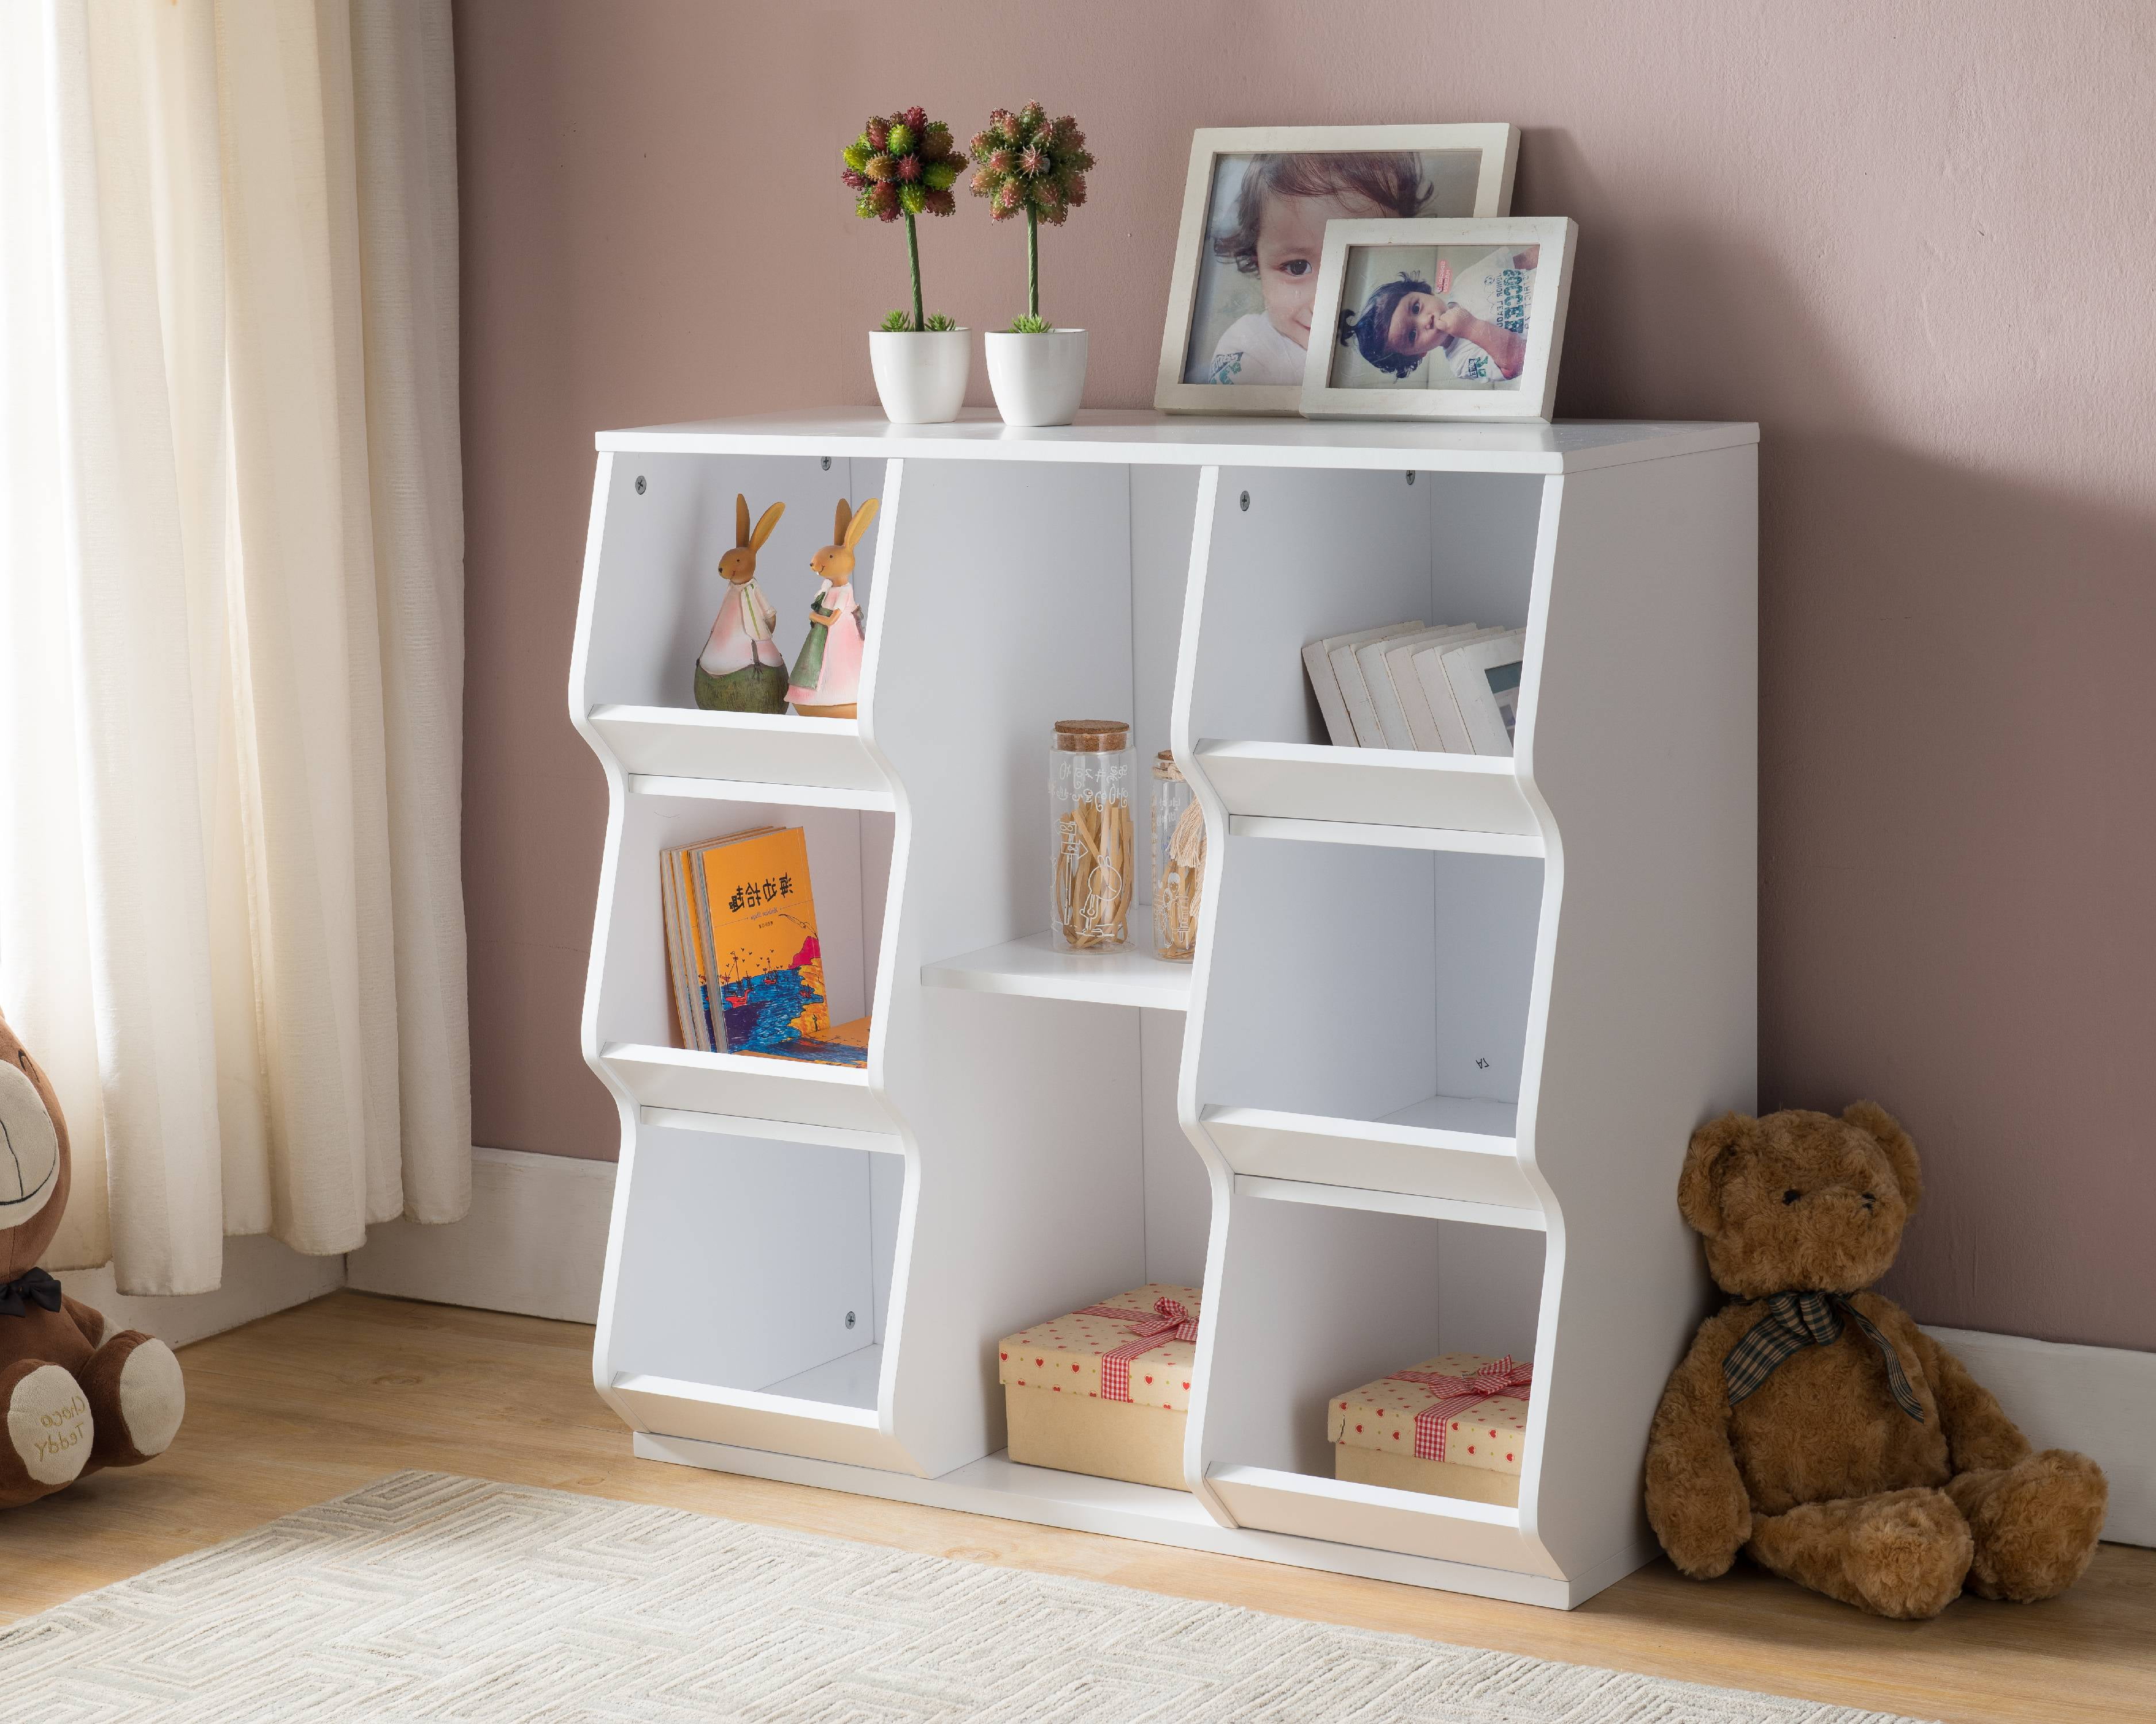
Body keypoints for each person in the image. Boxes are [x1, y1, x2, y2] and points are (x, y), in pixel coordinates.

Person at [1201, 152, 1427, 386]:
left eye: (1360, 260)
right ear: (1256, 259)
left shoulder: (1398, 341)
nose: (1329, 301)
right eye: (1298, 268)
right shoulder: (1250, 348)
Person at [1345, 247, 1539, 384]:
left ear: (1423, 291)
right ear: (1419, 354)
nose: (1425, 321)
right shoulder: (1461, 363)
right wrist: (1470, 328)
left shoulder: (1466, 280)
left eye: (1415, 308)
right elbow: (1519, 363)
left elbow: (1525, 260)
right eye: (1412, 335)